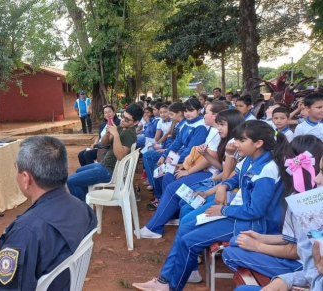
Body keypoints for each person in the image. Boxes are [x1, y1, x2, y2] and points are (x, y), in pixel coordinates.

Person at [133, 120, 292, 291]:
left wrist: (222, 210)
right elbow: (234, 177)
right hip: (236, 214)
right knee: (186, 225)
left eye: (241, 141)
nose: (236, 144)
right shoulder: (251, 159)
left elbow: (256, 211)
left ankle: (171, 286)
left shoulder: (267, 170)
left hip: (251, 223)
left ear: (258, 143)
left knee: (189, 241)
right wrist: (224, 186)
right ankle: (164, 281)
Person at [0, 136, 97, 291]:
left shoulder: (25, 232)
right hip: (63, 282)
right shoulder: (83, 208)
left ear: (26, 178)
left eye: (16, 168)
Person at [222, 135, 323, 280]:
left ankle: (273, 279)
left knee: (231, 252)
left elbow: (297, 250)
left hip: (302, 264)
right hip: (300, 257)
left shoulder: (306, 199)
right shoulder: (299, 191)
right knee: (235, 242)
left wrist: (257, 245)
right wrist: (261, 238)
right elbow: (293, 238)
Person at [139, 101, 227, 235]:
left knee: (173, 188)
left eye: (206, 112)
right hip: (205, 170)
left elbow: (208, 159)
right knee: (168, 176)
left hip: (210, 174)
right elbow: (189, 149)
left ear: (215, 115)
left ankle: (154, 228)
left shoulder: (212, 130)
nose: (204, 115)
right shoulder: (212, 130)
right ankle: (171, 214)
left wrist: (188, 171)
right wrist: (181, 164)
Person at [67, 104, 143, 201]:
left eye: (127, 119)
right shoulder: (121, 127)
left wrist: (115, 135)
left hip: (110, 171)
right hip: (105, 165)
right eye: (123, 116)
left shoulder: (128, 133)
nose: (123, 120)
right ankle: (85, 203)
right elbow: (104, 143)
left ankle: (83, 210)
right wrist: (107, 134)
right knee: (78, 171)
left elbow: (120, 156)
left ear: (136, 122)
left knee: (71, 181)